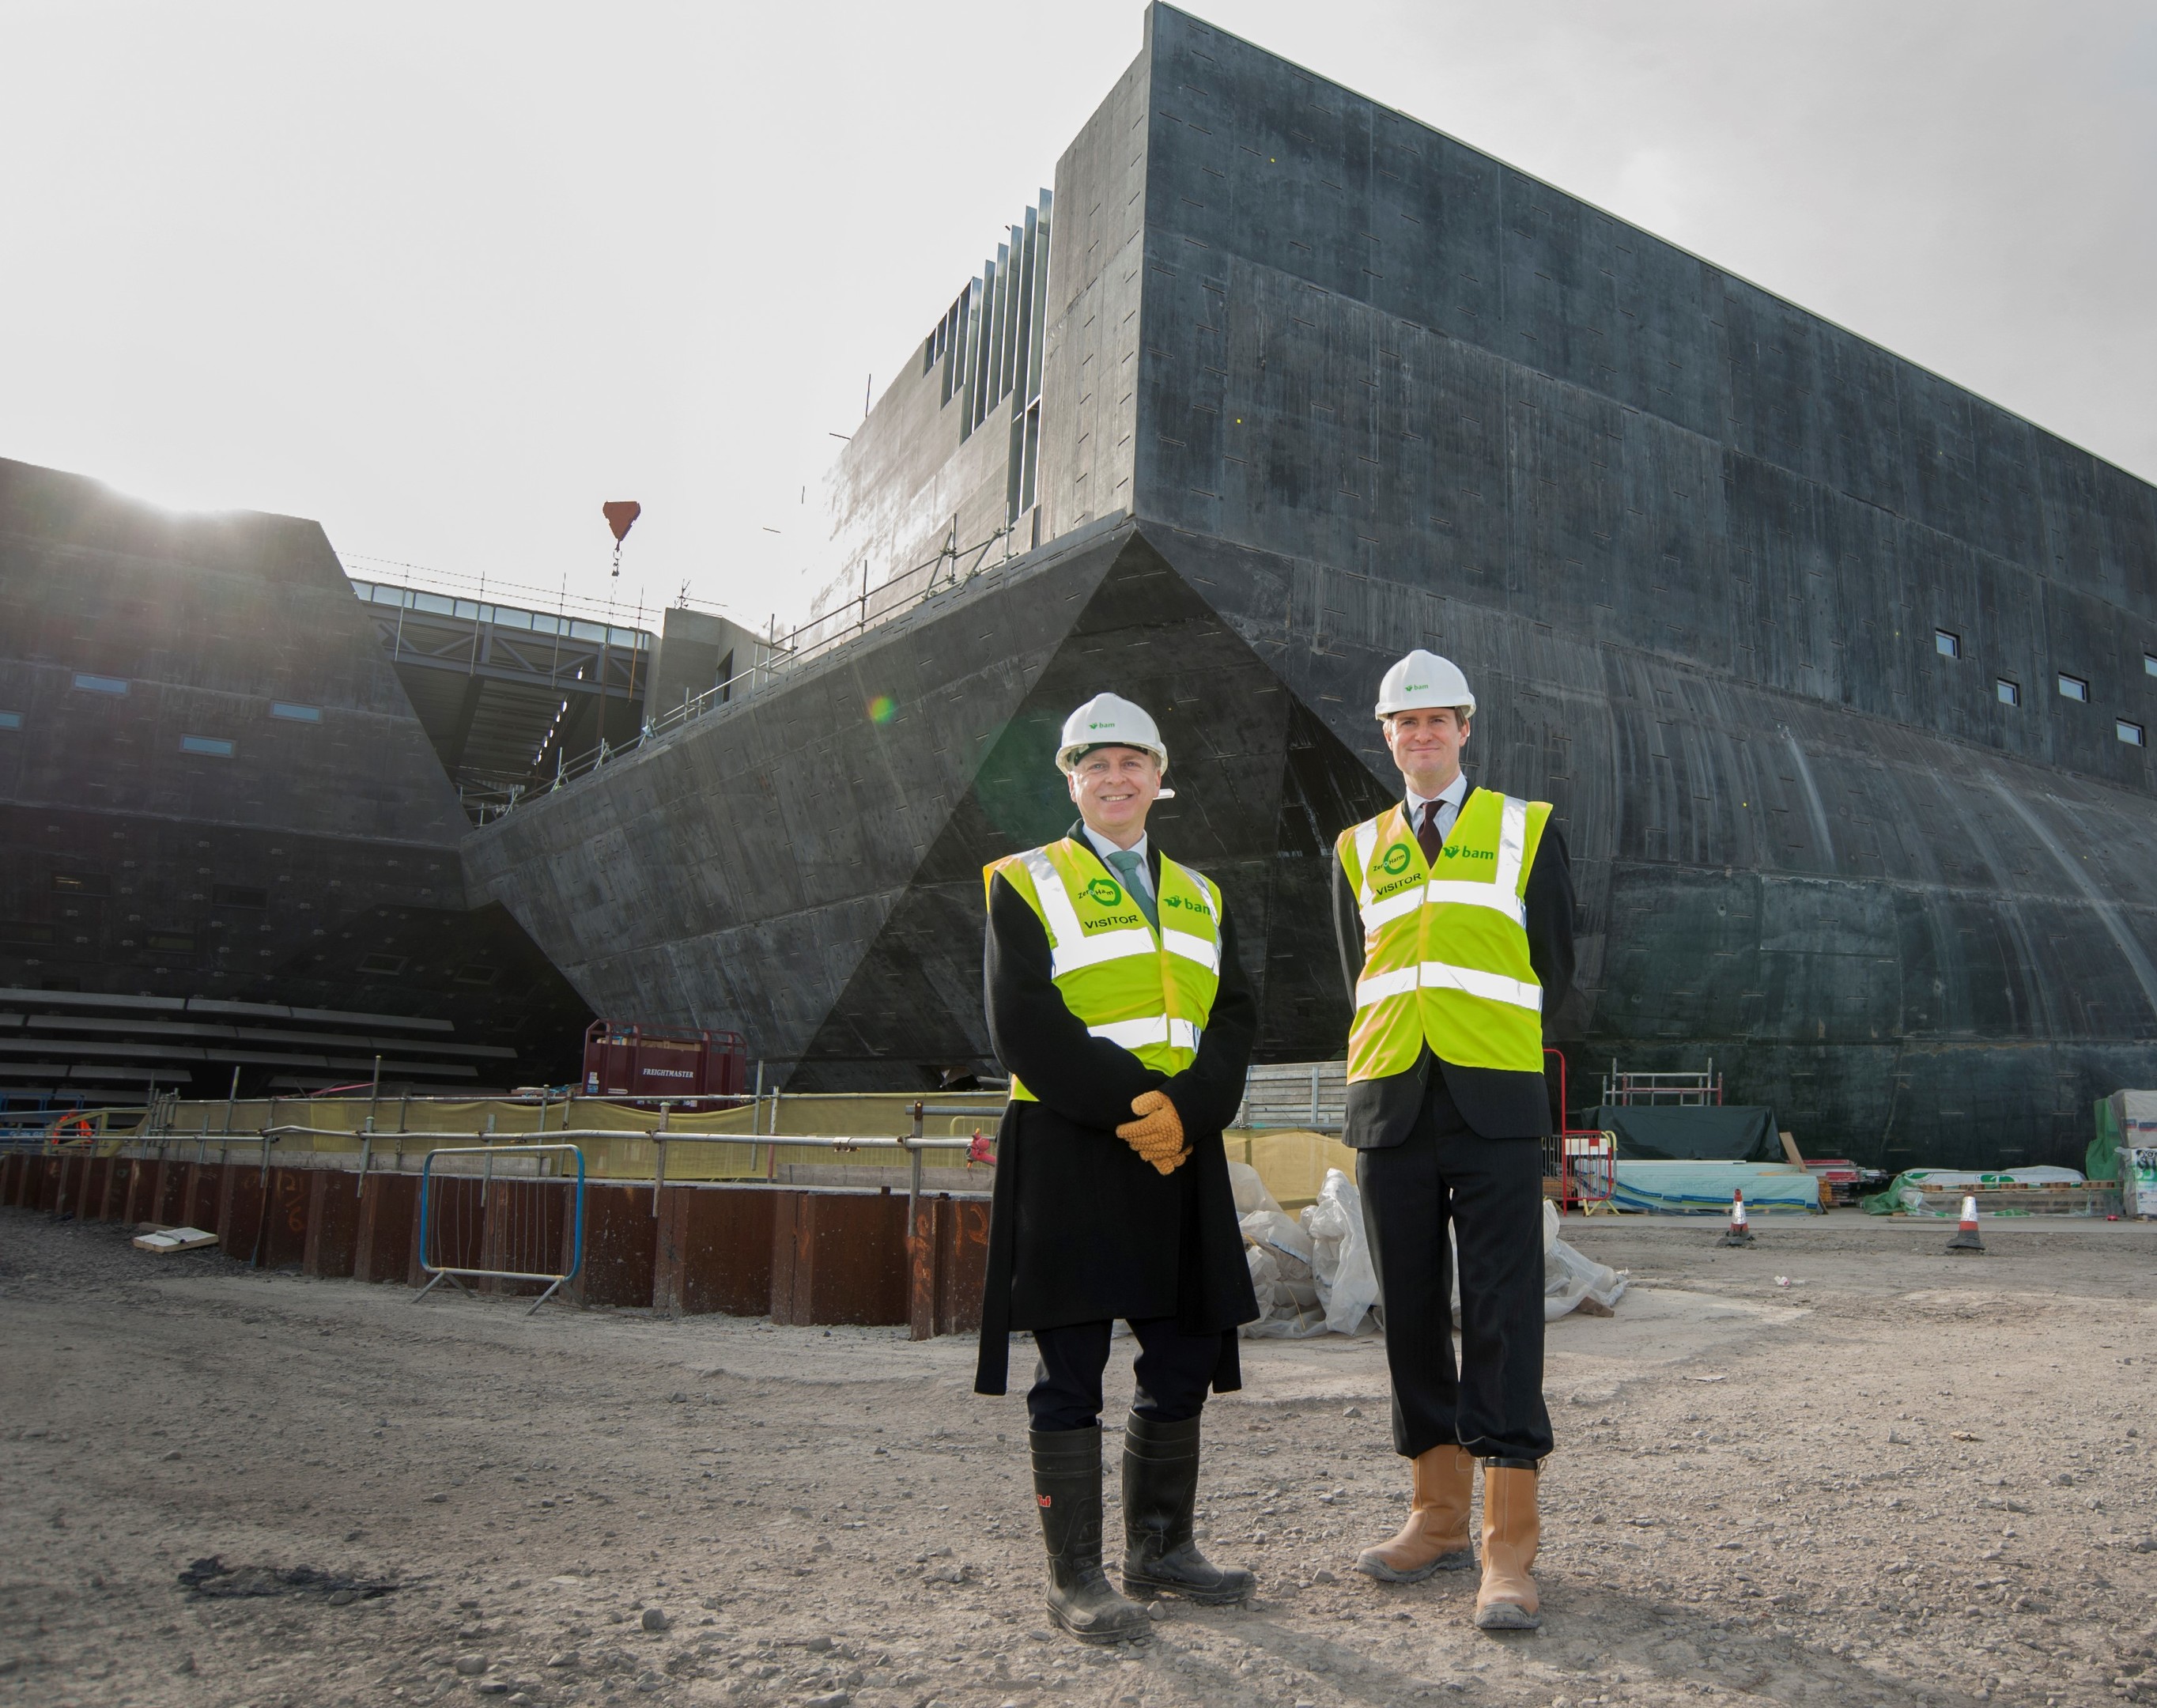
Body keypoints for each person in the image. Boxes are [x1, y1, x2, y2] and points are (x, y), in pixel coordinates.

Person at [974, 692, 1260, 1643]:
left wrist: (1188, 1111)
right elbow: (1025, 1023)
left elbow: (1234, 1022)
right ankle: (1076, 1579)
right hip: (1071, 1142)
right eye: (1094, 764)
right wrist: (1141, 1106)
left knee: (1181, 1355)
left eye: (1131, 762)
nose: (1114, 778)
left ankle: (1160, 1549)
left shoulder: (1205, 895)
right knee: (1072, 1367)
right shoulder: (1022, 880)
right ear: (1070, 778)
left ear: (1158, 776)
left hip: (1181, 1148)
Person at [1330, 650, 1577, 1631]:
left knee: (1507, 1312)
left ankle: (1506, 1548)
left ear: (1466, 729)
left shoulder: (1526, 830)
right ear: (1386, 736)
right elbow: (1356, 970)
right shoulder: (1355, 847)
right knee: (1412, 1313)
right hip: (1390, 1104)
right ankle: (1433, 1515)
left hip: (1495, 1105)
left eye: (1438, 722)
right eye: (1405, 724)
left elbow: (1556, 964)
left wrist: (1495, 1056)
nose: (1421, 737)